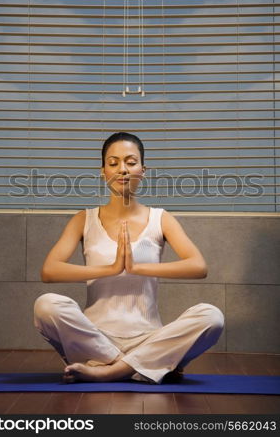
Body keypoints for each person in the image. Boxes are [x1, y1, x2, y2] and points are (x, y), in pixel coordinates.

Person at [33, 131, 224, 384]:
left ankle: (111, 371)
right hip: (96, 338)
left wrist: (136, 267)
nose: (122, 169)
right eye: (113, 163)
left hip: (148, 338)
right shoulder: (84, 219)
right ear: (103, 171)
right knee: (45, 305)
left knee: (211, 316)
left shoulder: (160, 219)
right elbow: (49, 271)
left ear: (143, 170)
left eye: (131, 162)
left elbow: (198, 266)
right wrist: (111, 268)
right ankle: (143, 365)